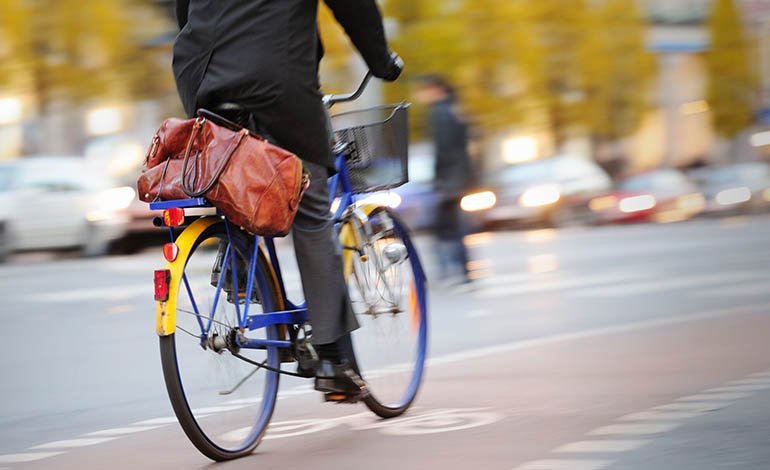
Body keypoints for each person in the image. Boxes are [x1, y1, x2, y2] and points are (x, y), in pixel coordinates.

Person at [172, 0, 403, 399]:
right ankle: (332, 359)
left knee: (233, 170)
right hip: (274, 75)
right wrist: (381, 59)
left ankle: (238, 263)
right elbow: (355, 6)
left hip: (200, 72)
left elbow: (183, 8)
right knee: (310, 209)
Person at [415, 75, 473, 285]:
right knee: (452, 226)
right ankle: (459, 272)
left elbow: (444, 150)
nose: (421, 94)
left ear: (436, 90)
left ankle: (451, 272)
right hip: (458, 177)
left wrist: (439, 180)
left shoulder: (440, 113)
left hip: (449, 179)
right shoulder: (455, 110)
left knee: (444, 227)